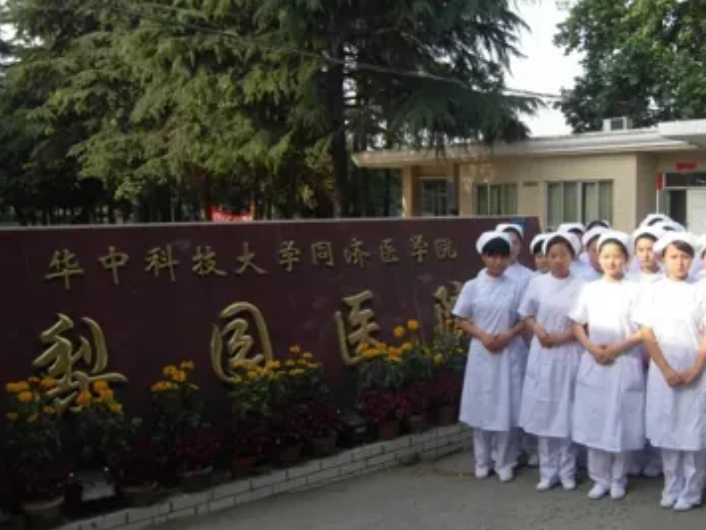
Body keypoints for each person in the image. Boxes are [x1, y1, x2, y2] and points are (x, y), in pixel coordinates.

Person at [569, 231, 645, 500]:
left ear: (627, 259)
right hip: (595, 362)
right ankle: (599, 478)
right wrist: (591, 348)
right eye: (606, 256)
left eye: (617, 256)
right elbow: (576, 323)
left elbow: (644, 330)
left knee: (621, 420)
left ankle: (618, 478)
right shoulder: (589, 289)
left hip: (625, 360)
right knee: (596, 419)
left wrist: (617, 348)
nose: (612, 262)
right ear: (598, 259)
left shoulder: (636, 290)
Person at [633, 232, 706, 512]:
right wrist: (664, 367)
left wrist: (696, 368)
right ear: (663, 258)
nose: (680, 262)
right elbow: (646, 332)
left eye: (685, 256)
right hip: (662, 370)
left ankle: (692, 490)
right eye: (674, 256)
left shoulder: (700, 289)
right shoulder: (653, 290)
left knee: (693, 431)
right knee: (668, 428)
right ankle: (671, 486)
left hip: (696, 370)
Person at [454, 231, 527, 483]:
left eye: (503, 257)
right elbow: (461, 318)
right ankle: (482, 461)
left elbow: (525, 319)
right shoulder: (472, 286)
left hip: (508, 351)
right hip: (482, 352)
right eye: (492, 256)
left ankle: (505, 461)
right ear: (483, 257)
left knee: (506, 407)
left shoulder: (515, 286)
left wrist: (509, 334)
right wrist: (483, 336)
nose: (498, 261)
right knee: (481, 407)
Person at [518, 232, 585, 491]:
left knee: (565, 411)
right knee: (544, 411)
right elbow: (526, 314)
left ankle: (567, 470)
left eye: (563, 255)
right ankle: (547, 472)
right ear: (546, 257)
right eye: (552, 255)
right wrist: (538, 330)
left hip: (569, 352)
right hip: (543, 352)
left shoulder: (582, 286)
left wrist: (565, 336)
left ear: (572, 257)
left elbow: (585, 323)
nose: (557, 260)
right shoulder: (537, 283)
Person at [626, 226, 665, 478]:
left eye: (651, 249)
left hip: (658, 350)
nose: (646, 254)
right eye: (641, 249)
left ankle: (656, 457)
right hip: (630, 348)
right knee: (634, 405)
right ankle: (634, 456)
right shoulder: (629, 279)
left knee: (657, 405)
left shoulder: (666, 280)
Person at [496, 223, 534, 291]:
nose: (511, 247)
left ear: (520, 247)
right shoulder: (487, 274)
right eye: (507, 242)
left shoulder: (529, 276)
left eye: (515, 243)